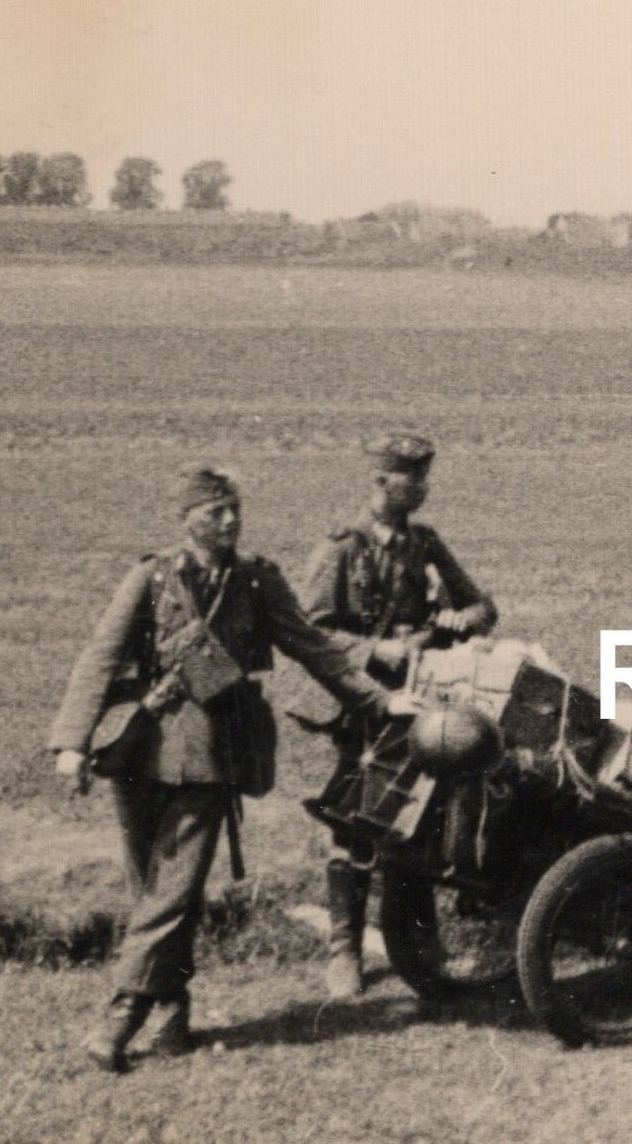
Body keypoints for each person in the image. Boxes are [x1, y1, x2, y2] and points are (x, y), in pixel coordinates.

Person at [46, 465, 420, 1073]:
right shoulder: (152, 578)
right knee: (152, 890)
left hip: (214, 753)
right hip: (140, 752)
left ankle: (121, 1017)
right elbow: (101, 655)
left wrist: (378, 702)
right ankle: (172, 1015)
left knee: (174, 890)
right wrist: (71, 742)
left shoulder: (256, 582)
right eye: (216, 511)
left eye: (235, 509)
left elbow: (315, 647)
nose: (231, 520)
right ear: (186, 518)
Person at [295, 433, 497, 999]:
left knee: (418, 819)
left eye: (425, 475)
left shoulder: (423, 544)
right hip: (361, 704)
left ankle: (417, 943)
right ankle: (344, 950)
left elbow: (483, 607)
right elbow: (311, 629)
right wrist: (372, 651)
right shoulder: (343, 547)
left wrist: (463, 621)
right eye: (412, 477)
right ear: (381, 481)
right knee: (356, 824)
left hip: (421, 701)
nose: (423, 487)